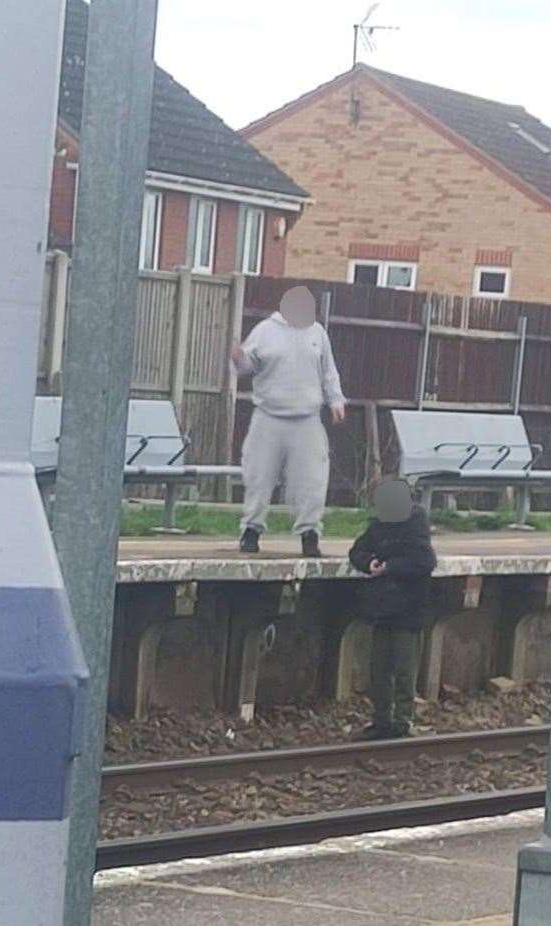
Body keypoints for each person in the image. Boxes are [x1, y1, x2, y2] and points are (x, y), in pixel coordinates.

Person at [231, 285, 346, 557]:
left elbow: (329, 371)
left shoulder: (317, 333)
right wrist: (239, 359)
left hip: (307, 418)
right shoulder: (265, 331)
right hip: (268, 416)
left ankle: (309, 533)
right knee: (258, 476)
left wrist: (336, 400)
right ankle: (251, 529)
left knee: (312, 479)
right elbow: (247, 367)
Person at [347, 478, 437, 740]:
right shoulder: (378, 527)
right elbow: (357, 551)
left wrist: (390, 566)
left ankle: (402, 720)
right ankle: (382, 719)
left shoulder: (415, 526)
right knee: (379, 669)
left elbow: (424, 562)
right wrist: (370, 563)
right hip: (383, 609)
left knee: (404, 668)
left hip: (408, 609)